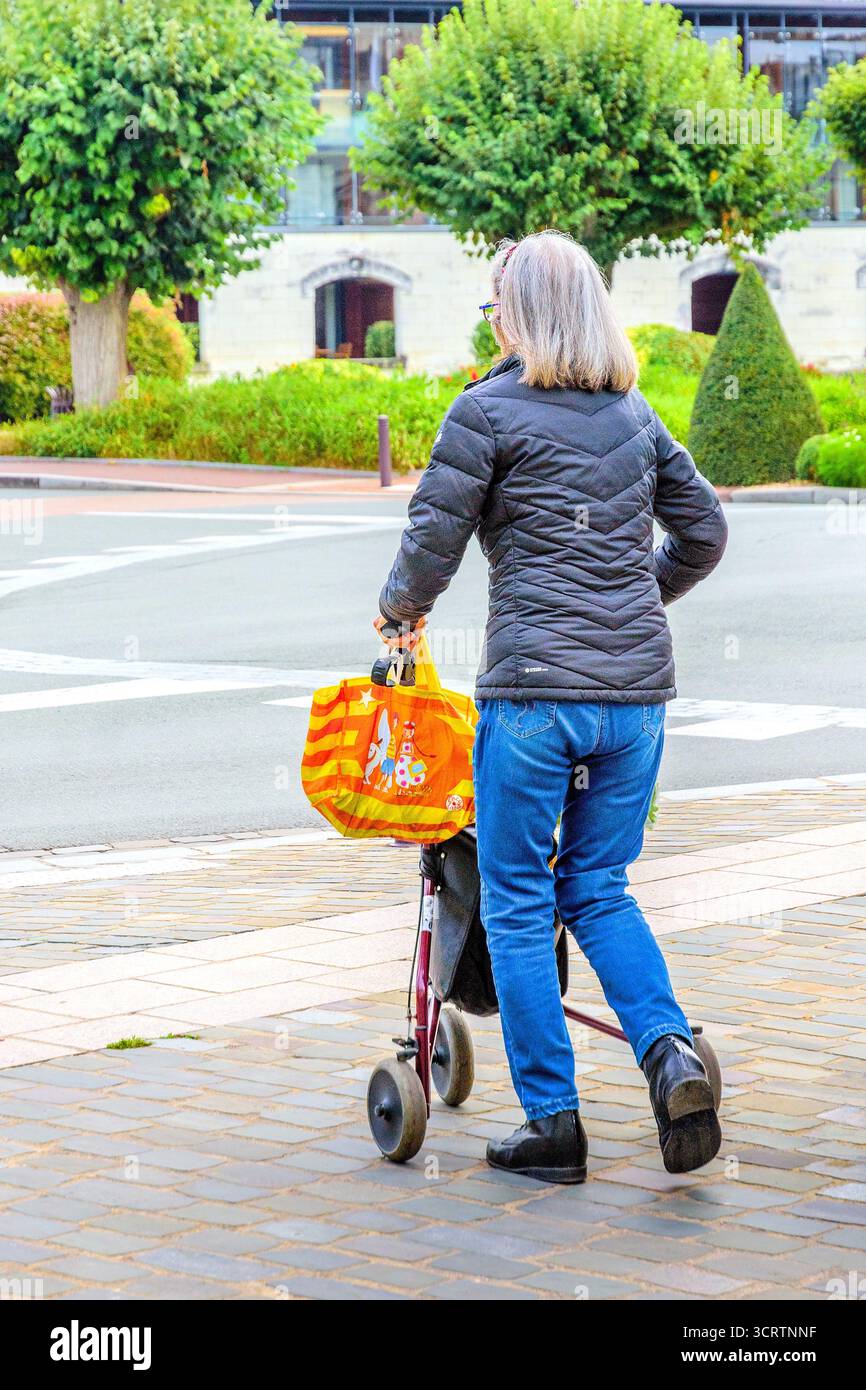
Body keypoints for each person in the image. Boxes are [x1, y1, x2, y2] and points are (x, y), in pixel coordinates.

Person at [375, 230, 728, 1184]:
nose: (492, 316)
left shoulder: (485, 410)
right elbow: (704, 529)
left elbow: (433, 538)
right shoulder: (634, 414)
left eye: (498, 301)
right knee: (601, 887)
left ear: (519, 314)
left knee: (521, 903)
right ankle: (669, 1056)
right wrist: (637, 597)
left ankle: (554, 1124)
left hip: (534, 698)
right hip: (636, 704)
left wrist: (397, 614)